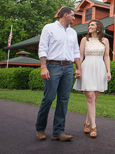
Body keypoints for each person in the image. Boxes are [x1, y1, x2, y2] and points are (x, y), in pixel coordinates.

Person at [35, 7, 82, 141]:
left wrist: (78, 68)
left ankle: (58, 132)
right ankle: (40, 129)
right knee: (49, 98)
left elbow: (76, 51)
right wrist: (43, 67)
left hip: (68, 68)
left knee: (63, 100)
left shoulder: (73, 32)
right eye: (73, 16)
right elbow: (43, 48)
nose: (74, 18)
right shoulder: (49, 28)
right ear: (65, 15)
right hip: (53, 66)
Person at [73, 19, 111, 138]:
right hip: (87, 68)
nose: (89, 27)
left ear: (98, 27)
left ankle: (87, 122)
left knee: (94, 99)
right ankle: (94, 126)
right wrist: (78, 68)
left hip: (100, 69)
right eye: (89, 25)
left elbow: (106, 56)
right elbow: (80, 55)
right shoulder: (85, 40)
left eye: (92, 25)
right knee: (90, 97)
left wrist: (108, 71)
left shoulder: (105, 40)